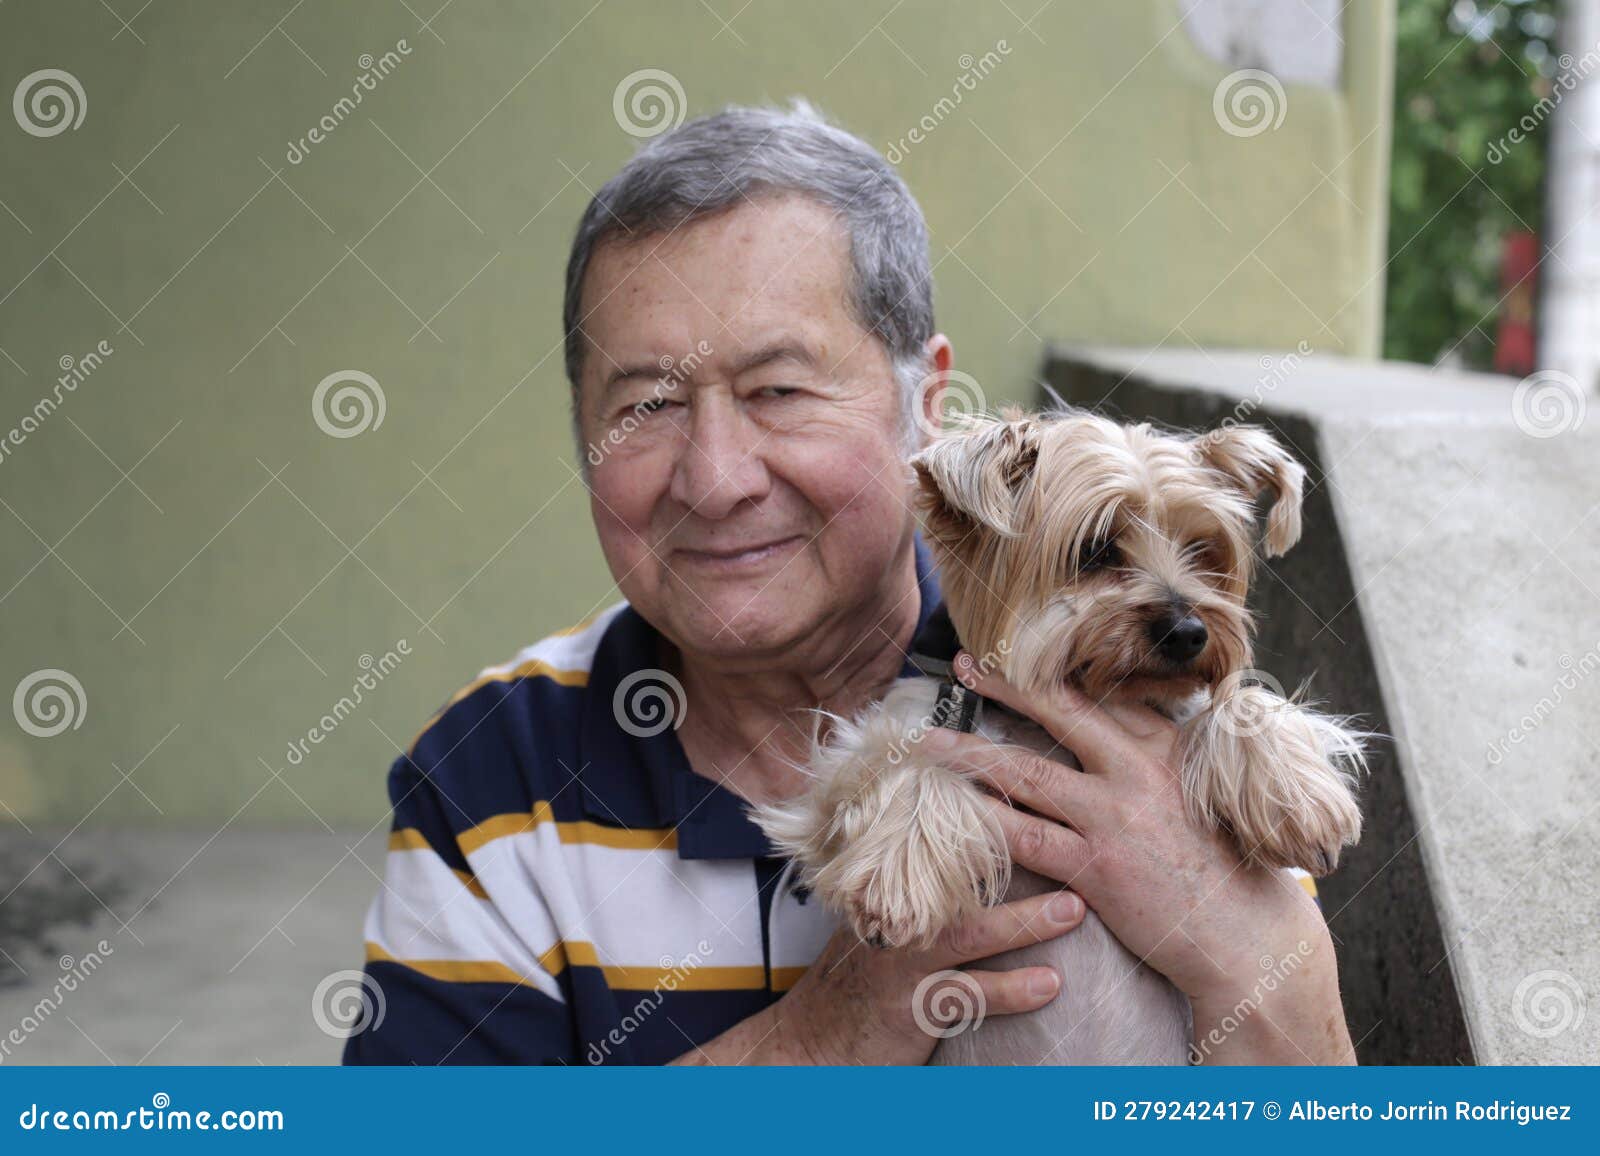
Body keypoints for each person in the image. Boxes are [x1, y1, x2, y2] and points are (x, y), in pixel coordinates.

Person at [342, 103, 1355, 1066]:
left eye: (778, 390)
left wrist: (1269, 969)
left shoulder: (1152, 723)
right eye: (647, 403)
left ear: (926, 408)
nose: (716, 478)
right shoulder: (490, 780)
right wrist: (827, 1035)